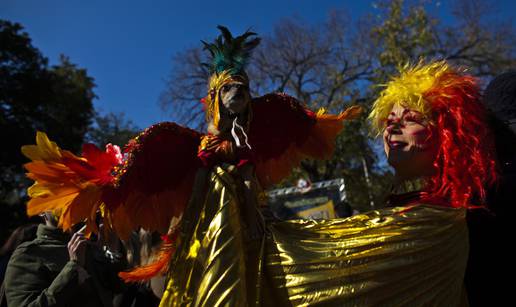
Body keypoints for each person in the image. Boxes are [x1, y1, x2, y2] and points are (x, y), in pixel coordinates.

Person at [3, 212, 125, 307]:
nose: (66, 203)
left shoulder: (88, 246)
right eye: (57, 195)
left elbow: (118, 289)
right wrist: (73, 268)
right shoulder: (28, 253)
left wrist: (114, 251)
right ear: (41, 210)